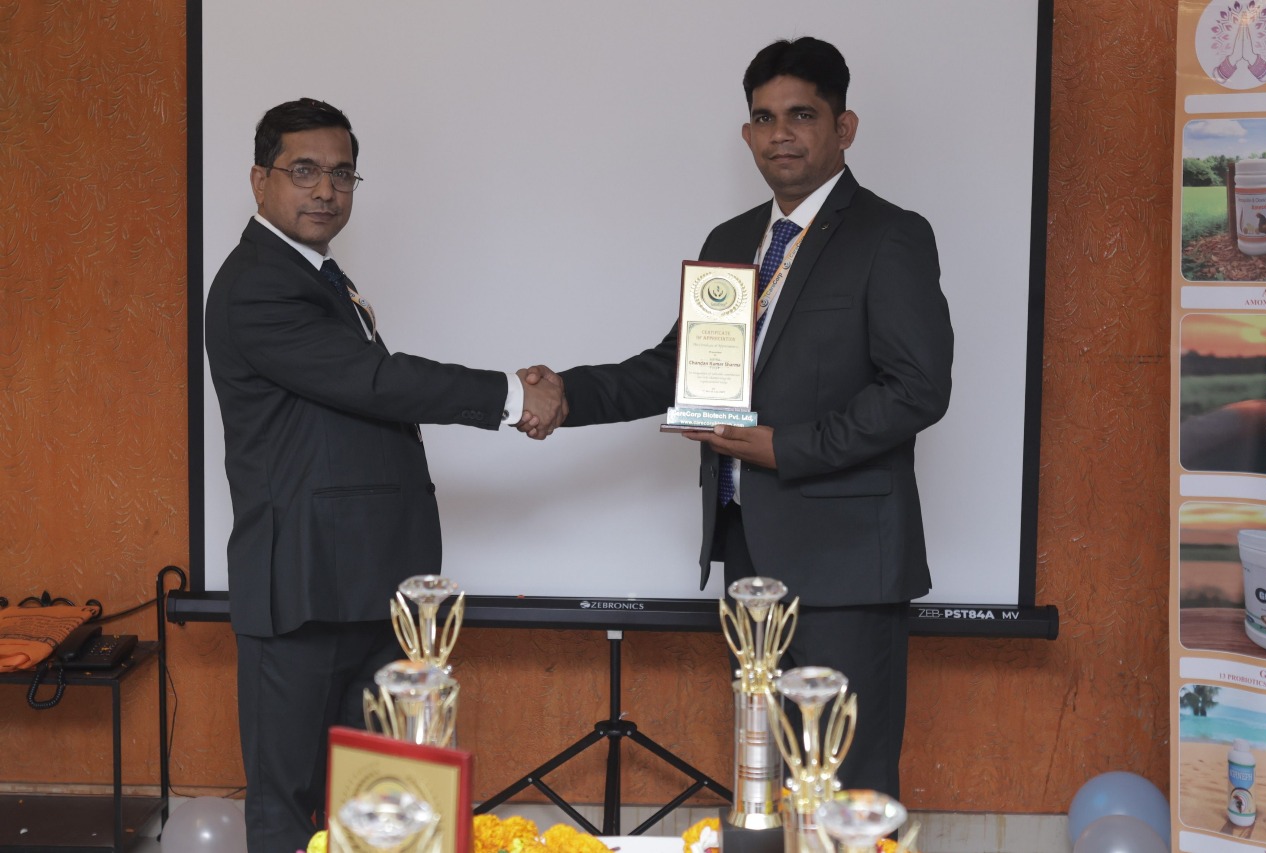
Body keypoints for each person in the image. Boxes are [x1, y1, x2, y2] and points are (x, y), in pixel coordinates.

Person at [522, 38, 952, 799]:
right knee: (766, 778)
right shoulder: (730, 240)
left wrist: (787, 448)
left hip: (847, 566)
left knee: (846, 785)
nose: (780, 134)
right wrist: (566, 394)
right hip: (749, 555)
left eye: (802, 116)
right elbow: (676, 368)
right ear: (747, 133)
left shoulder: (891, 235)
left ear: (844, 128)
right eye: (763, 118)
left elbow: (918, 388)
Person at [205, 98, 566, 852]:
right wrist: (509, 396)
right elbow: (376, 382)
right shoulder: (258, 283)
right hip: (302, 591)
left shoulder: (320, 276)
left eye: (342, 174)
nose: (325, 190)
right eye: (304, 171)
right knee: (289, 813)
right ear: (259, 180)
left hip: (363, 587)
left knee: (379, 809)